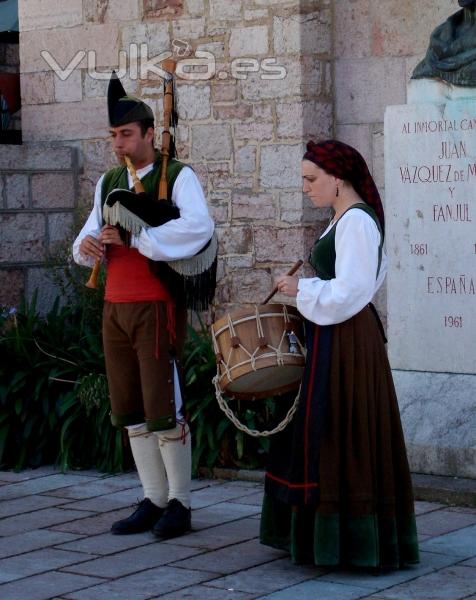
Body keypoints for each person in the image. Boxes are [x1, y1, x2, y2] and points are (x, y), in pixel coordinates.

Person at [260, 140, 419, 570]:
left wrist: (300, 289)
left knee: (343, 430)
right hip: (334, 334)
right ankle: (325, 540)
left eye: (312, 179)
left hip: (348, 340)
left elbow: (352, 290)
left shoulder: (357, 222)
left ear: (339, 178)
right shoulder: (339, 220)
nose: (307, 188)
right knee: (327, 431)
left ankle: (351, 542)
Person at [73, 73, 214, 539]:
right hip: (115, 306)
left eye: (126, 134)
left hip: (155, 304)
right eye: (113, 135)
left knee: (163, 405)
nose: (118, 144)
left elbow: (198, 231)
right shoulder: (108, 181)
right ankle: (153, 499)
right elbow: (90, 229)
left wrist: (141, 237)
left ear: (150, 134)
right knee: (130, 408)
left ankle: (181, 504)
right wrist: (88, 246)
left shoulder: (178, 176)